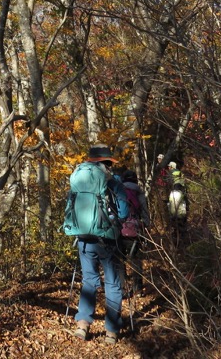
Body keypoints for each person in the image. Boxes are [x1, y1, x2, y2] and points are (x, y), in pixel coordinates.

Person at [68, 144, 129, 345]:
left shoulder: (79, 178)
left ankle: (83, 325)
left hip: (84, 238)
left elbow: (70, 207)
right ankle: (111, 331)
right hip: (108, 239)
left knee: (89, 280)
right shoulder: (114, 182)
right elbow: (123, 213)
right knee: (112, 283)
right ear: (107, 162)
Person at [116, 169, 149, 296]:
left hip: (119, 229)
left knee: (120, 259)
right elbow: (145, 214)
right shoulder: (139, 193)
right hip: (135, 230)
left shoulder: (118, 191)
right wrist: (145, 225)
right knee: (136, 259)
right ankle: (138, 288)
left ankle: (123, 287)